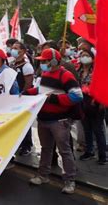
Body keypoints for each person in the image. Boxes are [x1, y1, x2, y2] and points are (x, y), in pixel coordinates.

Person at [28, 48, 83, 194]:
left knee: (64, 151)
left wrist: (54, 99)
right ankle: (42, 175)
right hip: (44, 119)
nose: (43, 64)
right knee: (46, 149)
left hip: (59, 121)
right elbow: (40, 90)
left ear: (53, 61)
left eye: (45, 61)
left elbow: (77, 96)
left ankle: (70, 181)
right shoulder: (45, 74)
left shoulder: (66, 76)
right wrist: (27, 92)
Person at [77, 49, 106, 164]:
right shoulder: (79, 71)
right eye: (82, 55)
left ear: (93, 58)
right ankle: (89, 151)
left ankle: (103, 156)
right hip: (83, 101)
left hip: (96, 102)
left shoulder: (98, 71)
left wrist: (99, 101)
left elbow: (103, 86)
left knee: (98, 130)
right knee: (87, 129)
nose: (84, 57)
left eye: (87, 55)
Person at [11, 42, 35, 155]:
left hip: (23, 98)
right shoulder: (12, 64)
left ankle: (27, 145)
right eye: (12, 48)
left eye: (16, 48)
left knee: (25, 122)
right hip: (13, 98)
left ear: (23, 51)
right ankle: (18, 144)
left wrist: (22, 95)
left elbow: (28, 84)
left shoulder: (27, 66)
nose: (13, 50)